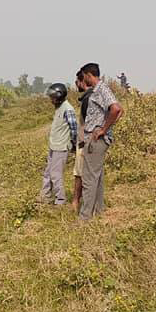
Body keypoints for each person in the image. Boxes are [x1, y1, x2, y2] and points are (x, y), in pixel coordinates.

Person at [78, 63, 123, 219]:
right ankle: (99, 211)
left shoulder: (101, 89)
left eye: (84, 76)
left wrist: (103, 129)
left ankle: (85, 218)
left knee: (89, 178)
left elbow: (116, 109)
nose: (83, 80)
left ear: (89, 75)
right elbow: (119, 110)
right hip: (98, 139)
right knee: (97, 177)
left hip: (96, 139)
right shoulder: (100, 90)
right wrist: (107, 127)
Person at [36, 83, 76, 207]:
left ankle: (60, 201)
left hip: (61, 147)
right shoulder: (59, 108)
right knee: (48, 173)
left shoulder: (67, 109)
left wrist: (74, 145)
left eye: (53, 97)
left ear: (59, 96)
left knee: (56, 175)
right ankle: (45, 197)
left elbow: (74, 129)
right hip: (54, 146)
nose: (51, 100)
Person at [70, 72, 92, 212]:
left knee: (80, 173)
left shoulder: (87, 99)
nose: (75, 85)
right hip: (87, 140)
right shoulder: (90, 97)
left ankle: (76, 201)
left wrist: (81, 142)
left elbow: (85, 123)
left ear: (81, 81)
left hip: (85, 141)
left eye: (76, 82)